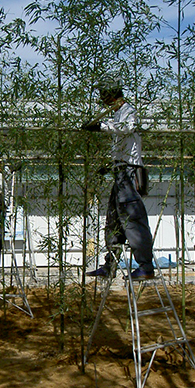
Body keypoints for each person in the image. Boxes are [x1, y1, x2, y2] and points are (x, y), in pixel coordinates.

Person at [83, 80, 155, 280]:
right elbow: (122, 145)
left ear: (111, 95)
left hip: (130, 173)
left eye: (104, 96)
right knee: (113, 219)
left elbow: (126, 128)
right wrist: (109, 165)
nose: (102, 101)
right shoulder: (117, 113)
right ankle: (110, 265)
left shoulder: (128, 111)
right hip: (120, 171)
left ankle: (146, 266)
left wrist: (101, 126)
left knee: (132, 218)